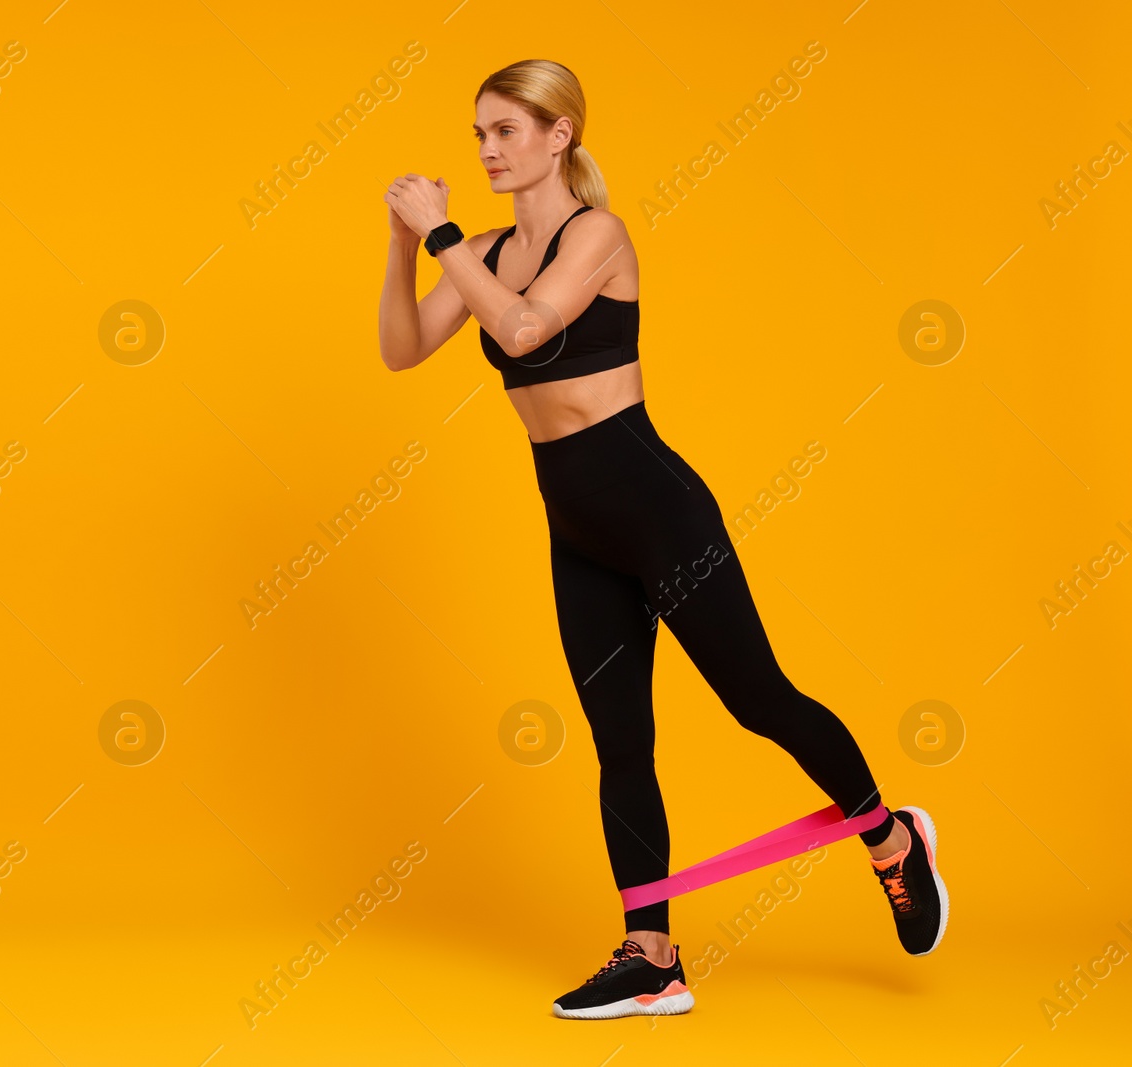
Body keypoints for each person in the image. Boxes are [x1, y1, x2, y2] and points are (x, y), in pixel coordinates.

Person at [377, 58, 948, 1020]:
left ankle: (890, 839)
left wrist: (439, 237)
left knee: (758, 698)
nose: (485, 151)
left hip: (658, 507)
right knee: (618, 740)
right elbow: (401, 348)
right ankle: (653, 958)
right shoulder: (479, 248)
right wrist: (404, 245)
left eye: (505, 131)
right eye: (477, 134)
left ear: (559, 136)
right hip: (578, 525)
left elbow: (522, 330)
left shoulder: (596, 234)